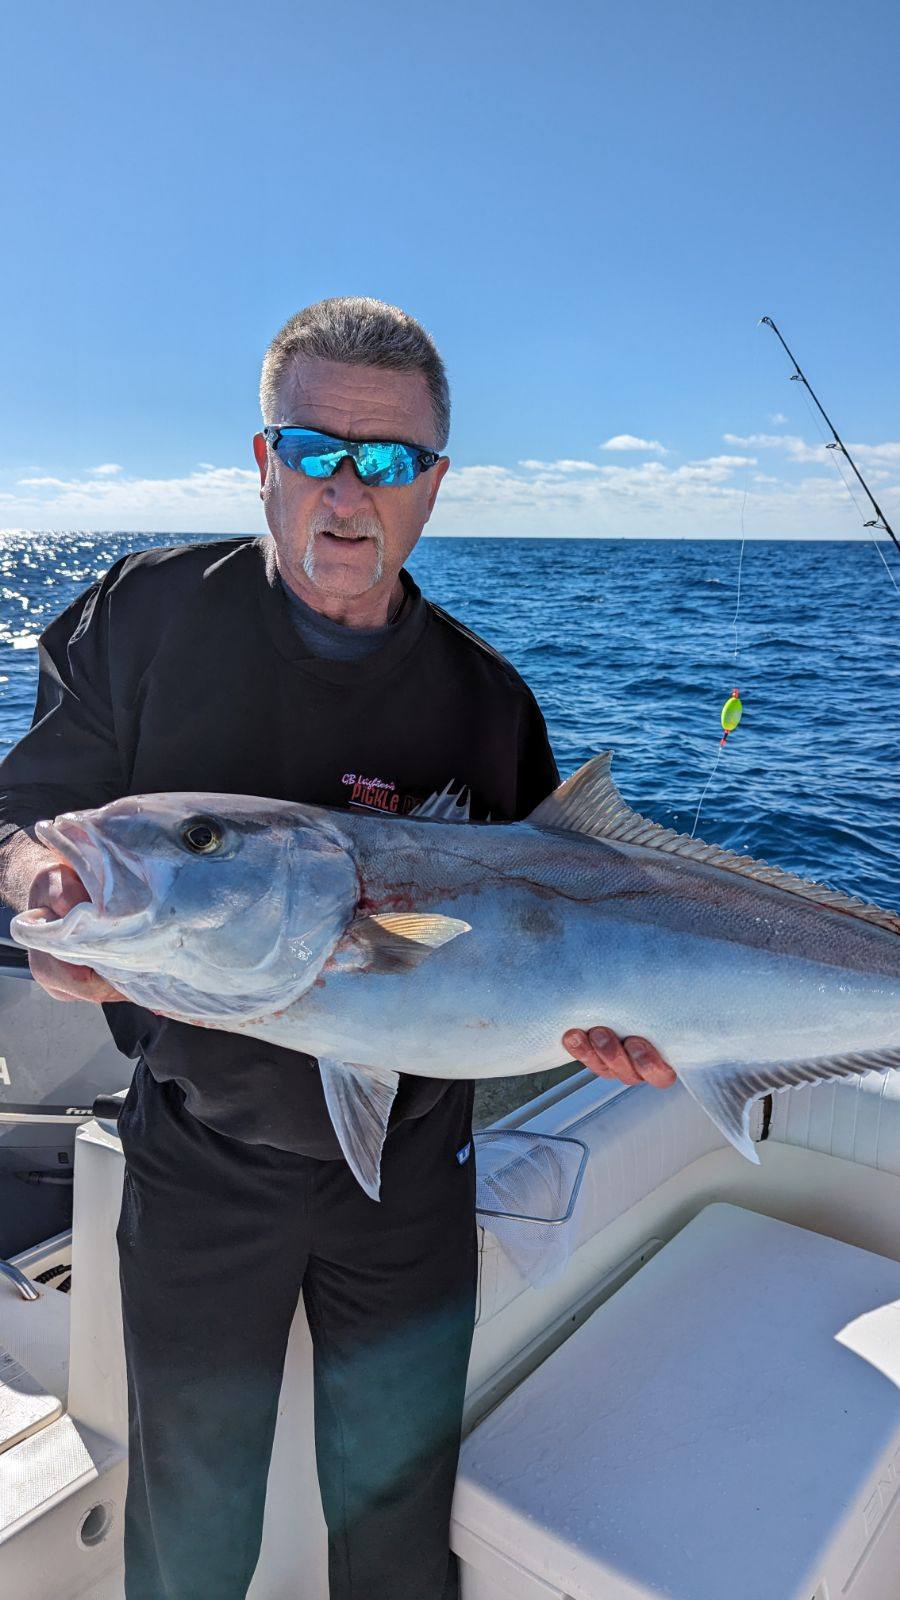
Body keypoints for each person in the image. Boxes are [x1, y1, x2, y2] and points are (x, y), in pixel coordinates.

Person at [0, 297, 676, 1600]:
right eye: (314, 450)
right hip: (201, 1158)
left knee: (396, 1533)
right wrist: (43, 889)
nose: (346, 489)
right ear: (263, 461)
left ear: (434, 483)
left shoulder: (486, 701)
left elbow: (560, 925)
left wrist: (607, 1026)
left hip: (414, 1174)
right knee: (190, 1529)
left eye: (387, 461)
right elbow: (19, 820)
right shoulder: (144, 618)